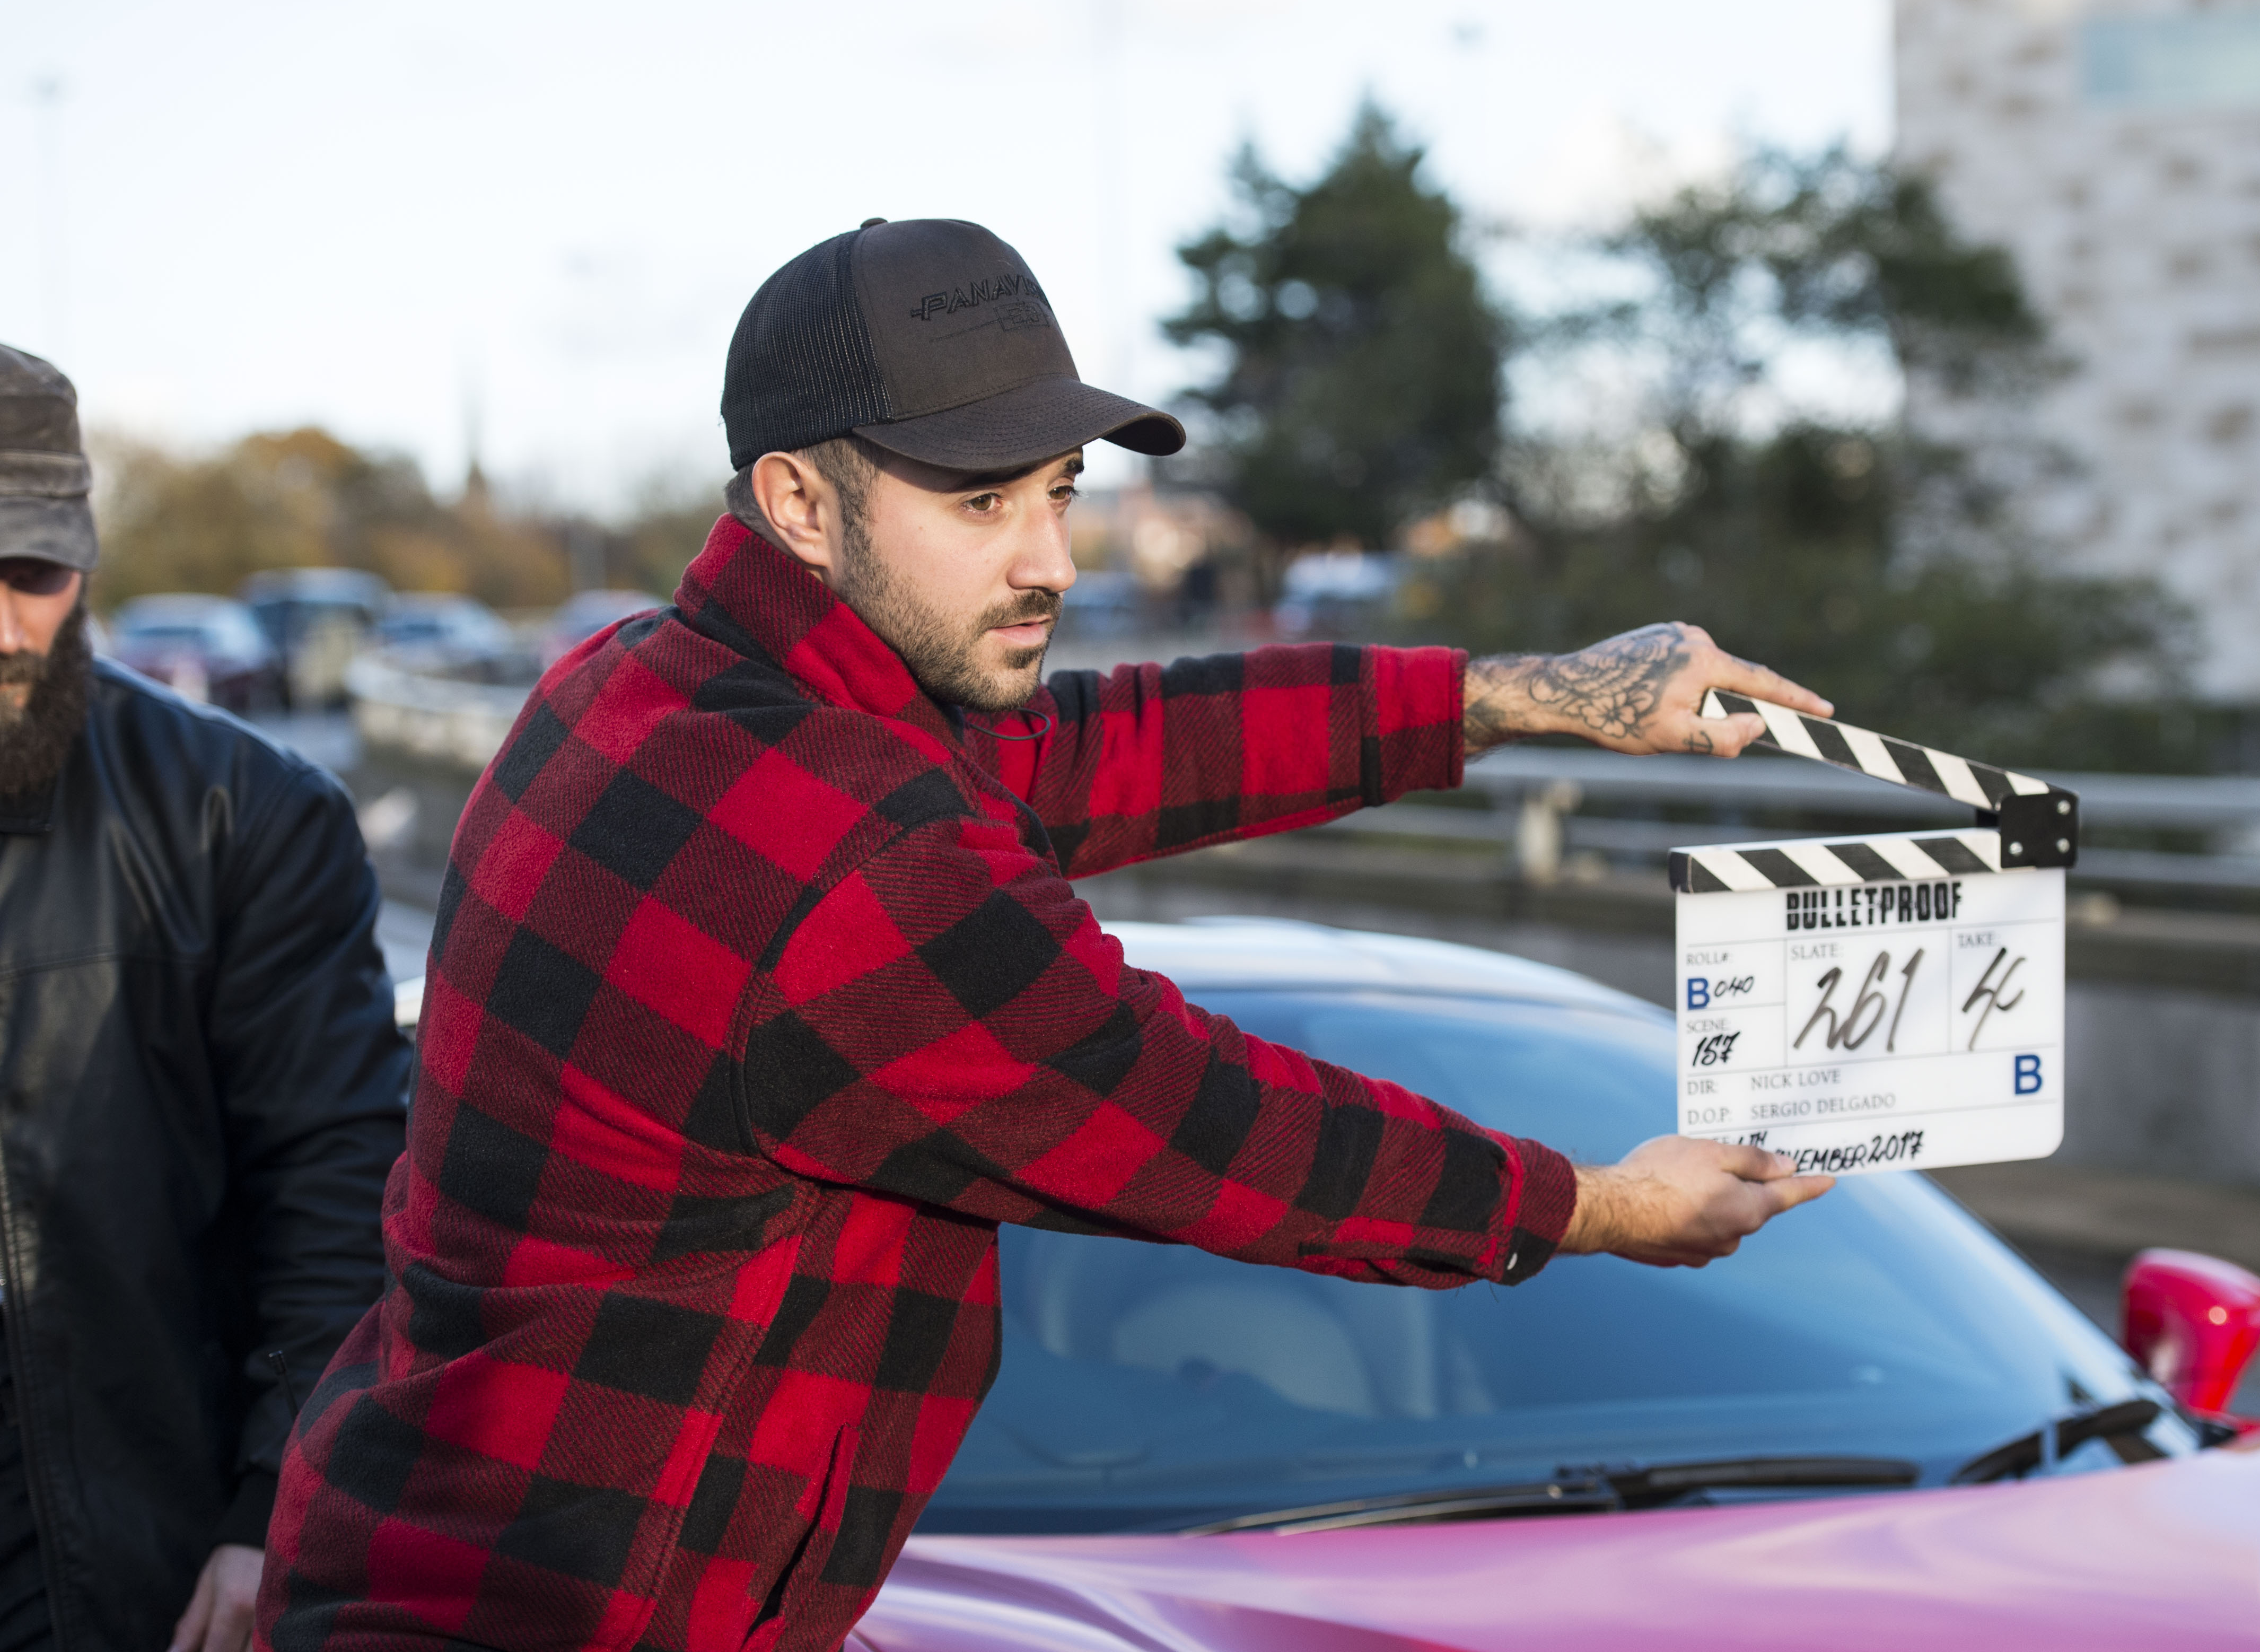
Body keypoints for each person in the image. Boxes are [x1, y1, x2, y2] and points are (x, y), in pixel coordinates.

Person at [259, 220, 1836, 1652]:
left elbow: (1100, 746)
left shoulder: (644, 686)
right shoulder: (849, 854)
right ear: (801, 501)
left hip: (433, 1572)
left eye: (1062, 491)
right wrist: (1606, 1206)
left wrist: (1510, 696)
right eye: (981, 501)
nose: (1054, 561)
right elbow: (1210, 1127)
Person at [0, 344, 413, 1652]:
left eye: (32, 571)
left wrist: (271, 1510)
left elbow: (340, 1184)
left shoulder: (242, 816)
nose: (3, 622)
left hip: (131, 1574)